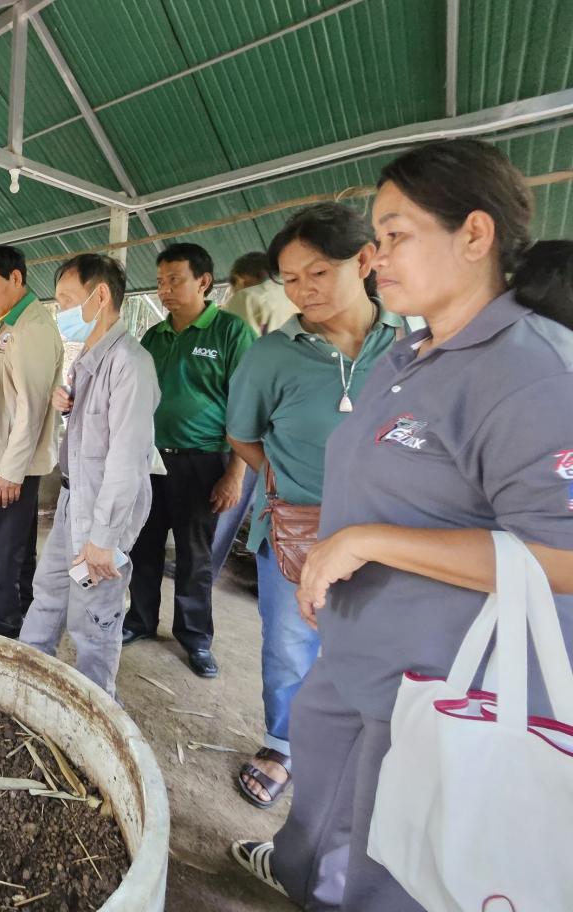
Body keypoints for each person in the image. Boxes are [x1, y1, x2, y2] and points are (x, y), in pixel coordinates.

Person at [232, 138, 573, 909]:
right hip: (354, 654)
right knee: (321, 817)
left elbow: (564, 555)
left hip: (441, 683)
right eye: (377, 239)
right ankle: (297, 879)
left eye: (394, 236)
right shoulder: (410, 351)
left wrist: (369, 542)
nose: (376, 256)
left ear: (475, 236)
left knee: (396, 861)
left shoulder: (532, 372)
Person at [224, 204, 405, 810]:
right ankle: (283, 743)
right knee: (289, 643)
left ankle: (362, 746)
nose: (303, 290)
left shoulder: (413, 343)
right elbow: (243, 436)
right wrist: (285, 483)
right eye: (291, 279)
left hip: (394, 531)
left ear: (365, 260)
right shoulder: (272, 355)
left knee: (374, 644)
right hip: (297, 531)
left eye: (317, 273)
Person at [20, 254, 159, 695]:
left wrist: (104, 540)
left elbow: (127, 462)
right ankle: (25, 683)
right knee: (49, 591)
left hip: (101, 513)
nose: (59, 312)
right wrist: (69, 403)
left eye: (65, 300)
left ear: (100, 297)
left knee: (94, 617)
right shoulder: (86, 360)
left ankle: (96, 707)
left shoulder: (130, 365)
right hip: (71, 500)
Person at [124, 242, 255, 678]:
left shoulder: (231, 332)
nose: (164, 289)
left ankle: (195, 638)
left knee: (195, 556)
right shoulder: (153, 337)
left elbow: (247, 407)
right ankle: (140, 621)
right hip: (151, 459)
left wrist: (235, 473)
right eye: (160, 281)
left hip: (203, 462)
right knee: (143, 546)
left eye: (174, 279)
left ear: (203, 282)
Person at [0, 245, 63, 638]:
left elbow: (32, 410)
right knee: (12, 546)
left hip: (4, 463)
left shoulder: (31, 330)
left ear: (16, 278)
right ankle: (19, 615)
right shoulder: (3, 324)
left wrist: (11, 472)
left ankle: (0, 622)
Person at [211, 251, 291, 580]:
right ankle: (212, 566)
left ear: (241, 280)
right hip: (281, 420)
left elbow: (222, 359)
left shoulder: (247, 300)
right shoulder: (294, 299)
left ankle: (200, 567)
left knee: (222, 493)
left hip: (241, 414)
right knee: (244, 499)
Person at [223, 251, 299, 336]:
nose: (234, 293)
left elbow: (241, 343)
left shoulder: (246, 297)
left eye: (234, 290)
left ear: (239, 280)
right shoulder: (298, 291)